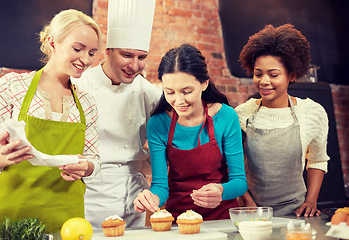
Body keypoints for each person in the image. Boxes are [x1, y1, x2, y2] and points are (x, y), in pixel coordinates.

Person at [0, 9, 101, 235]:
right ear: (52, 42)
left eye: (92, 53)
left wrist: (85, 167)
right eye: (78, 49)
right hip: (11, 216)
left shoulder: (87, 102)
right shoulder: (12, 86)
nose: (86, 60)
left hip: (66, 219)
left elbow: (93, 159)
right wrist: (3, 156)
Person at [71, 0, 162, 230]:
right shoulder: (79, 85)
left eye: (141, 57)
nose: (134, 65)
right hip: (86, 195)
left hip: (132, 197)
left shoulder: (150, 93)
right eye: (127, 55)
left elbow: (165, 142)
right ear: (108, 51)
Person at [133, 43, 248, 220]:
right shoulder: (158, 124)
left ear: (204, 84)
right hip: (179, 219)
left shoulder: (226, 116)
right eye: (169, 92)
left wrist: (221, 190)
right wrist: (152, 198)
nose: (179, 100)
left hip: (222, 217)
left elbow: (239, 182)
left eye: (186, 91)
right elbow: (160, 185)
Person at [235, 24, 329, 217]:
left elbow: (318, 160)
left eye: (273, 74)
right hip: (252, 212)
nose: (264, 81)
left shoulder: (312, 112)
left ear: (291, 75)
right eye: (258, 73)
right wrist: (246, 200)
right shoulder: (243, 114)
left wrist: (311, 201)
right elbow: (230, 163)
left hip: (296, 214)